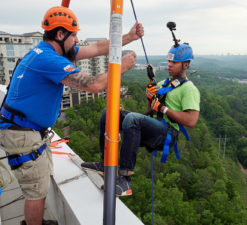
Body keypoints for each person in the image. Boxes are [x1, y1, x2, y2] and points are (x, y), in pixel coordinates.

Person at [0, 6, 143, 225]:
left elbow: (96, 48)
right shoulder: (50, 60)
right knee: (35, 191)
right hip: (23, 134)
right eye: (74, 34)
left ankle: (36, 220)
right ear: (60, 34)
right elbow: (94, 85)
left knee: (39, 184)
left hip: (27, 130)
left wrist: (129, 38)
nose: (77, 39)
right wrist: (120, 67)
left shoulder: (51, 50)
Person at [81, 43, 200, 197]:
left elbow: (191, 121)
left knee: (132, 118)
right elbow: (150, 109)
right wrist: (150, 98)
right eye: (169, 61)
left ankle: (124, 179)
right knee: (110, 112)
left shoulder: (189, 89)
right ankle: (105, 164)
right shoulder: (165, 83)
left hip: (168, 133)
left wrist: (164, 109)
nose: (170, 65)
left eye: (174, 62)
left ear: (186, 65)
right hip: (155, 126)